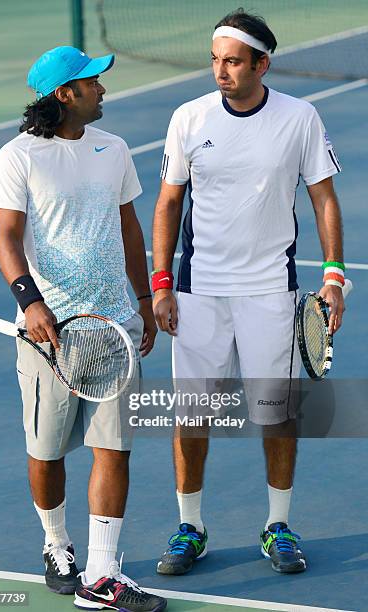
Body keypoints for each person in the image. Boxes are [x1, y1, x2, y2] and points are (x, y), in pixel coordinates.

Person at [152, 9, 345, 576]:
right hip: (199, 293)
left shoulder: (300, 118)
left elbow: (324, 199)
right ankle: (191, 526)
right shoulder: (188, 118)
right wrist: (161, 284)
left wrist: (334, 274)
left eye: (233, 61)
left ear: (263, 63)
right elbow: (168, 203)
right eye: (215, 59)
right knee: (192, 416)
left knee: (276, 414)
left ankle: (276, 525)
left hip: (269, 291)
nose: (220, 71)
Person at [0, 46, 166, 611]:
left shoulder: (113, 148)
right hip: (51, 335)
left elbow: (129, 226)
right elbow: (7, 240)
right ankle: (56, 543)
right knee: (48, 453)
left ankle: (103, 573)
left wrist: (142, 297)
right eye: (92, 81)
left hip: (113, 327)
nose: (103, 89)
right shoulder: (17, 157)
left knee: (113, 448)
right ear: (65, 93)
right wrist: (30, 303)